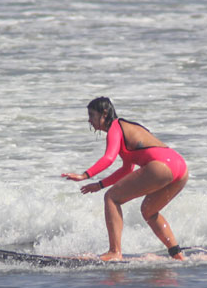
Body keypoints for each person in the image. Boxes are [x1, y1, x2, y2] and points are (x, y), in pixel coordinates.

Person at [62, 97, 189, 261]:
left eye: (92, 115)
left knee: (111, 197)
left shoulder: (115, 127)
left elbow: (108, 158)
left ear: (104, 114)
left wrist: (84, 175)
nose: (89, 120)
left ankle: (114, 251)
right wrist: (99, 185)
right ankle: (176, 254)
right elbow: (127, 169)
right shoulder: (127, 128)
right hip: (181, 168)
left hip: (162, 166)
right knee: (149, 211)